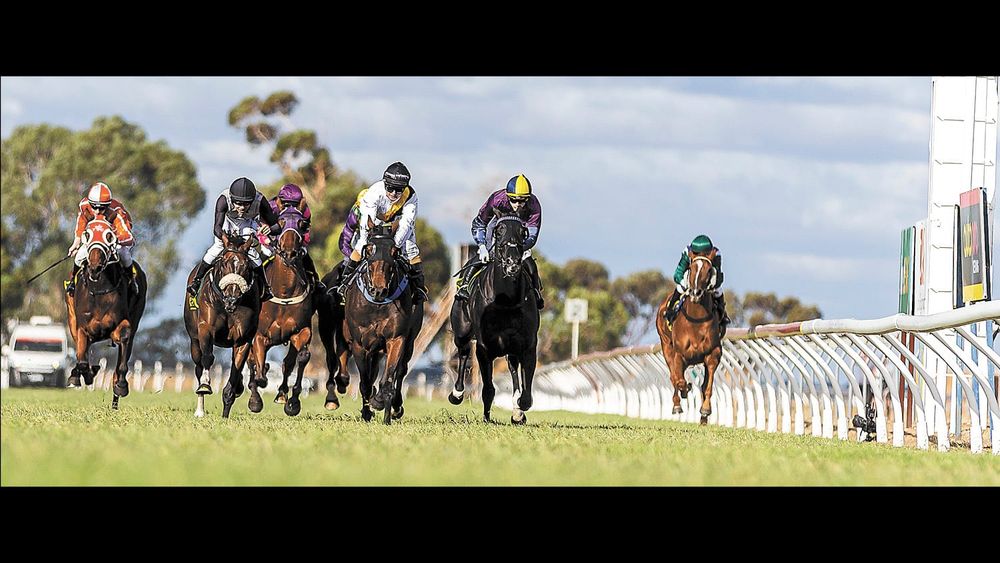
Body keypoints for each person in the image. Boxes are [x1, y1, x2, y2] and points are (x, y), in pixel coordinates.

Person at [330, 162, 428, 303]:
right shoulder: (374, 192)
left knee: (411, 250)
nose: (394, 193)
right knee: (361, 245)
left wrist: (395, 245)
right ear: (384, 183)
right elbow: (367, 221)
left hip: (398, 227)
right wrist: (370, 240)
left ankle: (419, 288)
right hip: (373, 226)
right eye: (390, 188)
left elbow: (407, 223)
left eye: (399, 189)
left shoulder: (411, 196)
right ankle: (344, 284)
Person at [455, 174, 544, 308]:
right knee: (486, 256)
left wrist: (518, 249)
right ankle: (464, 285)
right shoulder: (497, 200)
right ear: (508, 196)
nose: (518, 205)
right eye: (514, 200)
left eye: (522, 201)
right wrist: (482, 246)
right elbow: (479, 223)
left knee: (528, 260)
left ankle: (536, 292)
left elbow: (532, 236)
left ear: (528, 198)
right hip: (497, 224)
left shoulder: (534, 205)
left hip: (520, 230)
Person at [186, 177, 278, 300]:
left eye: (246, 203)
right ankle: (196, 281)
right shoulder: (223, 199)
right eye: (238, 203)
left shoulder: (260, 201)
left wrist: (270, 230)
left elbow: (277, 227)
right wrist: (225, 239)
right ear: (232, 199)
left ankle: (265, 288)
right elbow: (217, 228)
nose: (242, 207)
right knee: (217, 248)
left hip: (247, 223)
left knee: (253, 255)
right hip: (227, 223)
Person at [65, 182, 137, 294]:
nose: (98, 211)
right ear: (90, 203)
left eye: (102, 208)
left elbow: (128, 236)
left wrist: (115, 240)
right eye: (94, 207)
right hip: (95, 238)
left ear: (108, 205)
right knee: (79, 256)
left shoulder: (117, 212)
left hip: (113, 237)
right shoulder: (84, 206)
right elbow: (81, 222)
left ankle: (131, 281)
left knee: (124, 254)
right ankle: (72, 282)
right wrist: (76, 243)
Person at [663, 234, 730, 336]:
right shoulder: (687, 252)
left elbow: (719, 276)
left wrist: (711, 285)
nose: (702, 255)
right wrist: (686, 283)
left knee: (718, 290)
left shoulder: (716, 254)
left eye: (706, 254)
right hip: (689, 278)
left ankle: (722, 316)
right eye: (697, 254)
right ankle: (670, 311)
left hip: (707, 280)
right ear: (693, 253)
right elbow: (678, 273)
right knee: (680, 288)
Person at [267, 183, 325, 292]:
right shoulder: (271, 207)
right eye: (286, 204)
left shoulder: (305, 210)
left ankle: (316, 282)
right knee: (260, 259)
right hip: (270, 241)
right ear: (280, 201)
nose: (291, 208)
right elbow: (261, 225)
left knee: (306, 258)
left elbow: (306, 229)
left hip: (295, 242)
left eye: (295, 204)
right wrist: (267, 242)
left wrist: (304, 244)